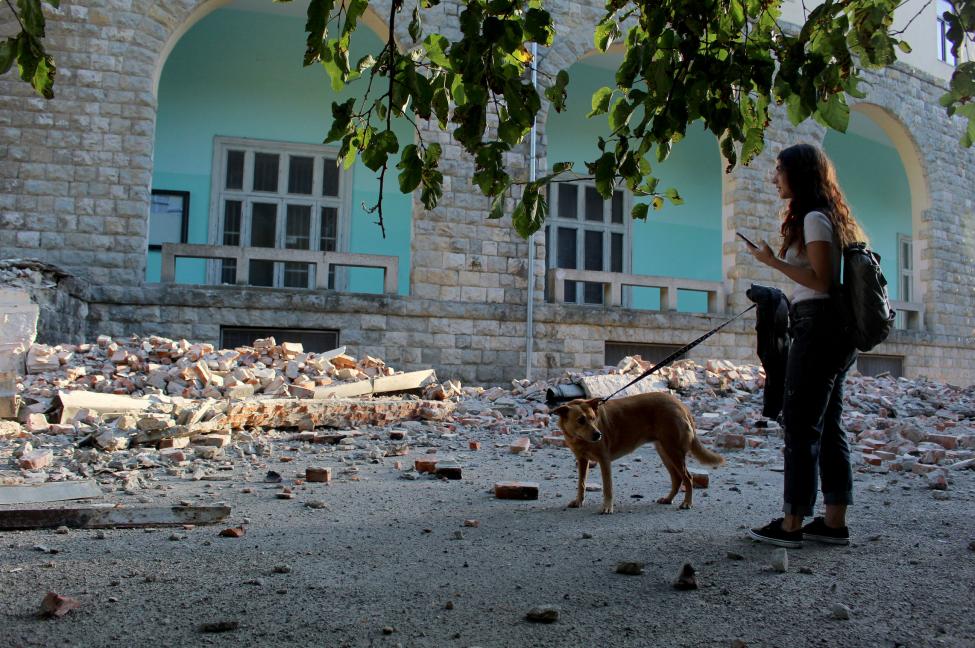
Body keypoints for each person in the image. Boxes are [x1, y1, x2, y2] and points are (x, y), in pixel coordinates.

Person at [745, 143, 866, 548]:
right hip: (830, 331)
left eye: (779, 170)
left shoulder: (815, 218)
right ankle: (833, 523)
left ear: (798, 173)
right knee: (829, 424)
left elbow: (822, 282)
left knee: (799, 424)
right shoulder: (827, 216)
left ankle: (792, 523)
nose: (774, 177)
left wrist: (771, 262)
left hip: (818, 330)